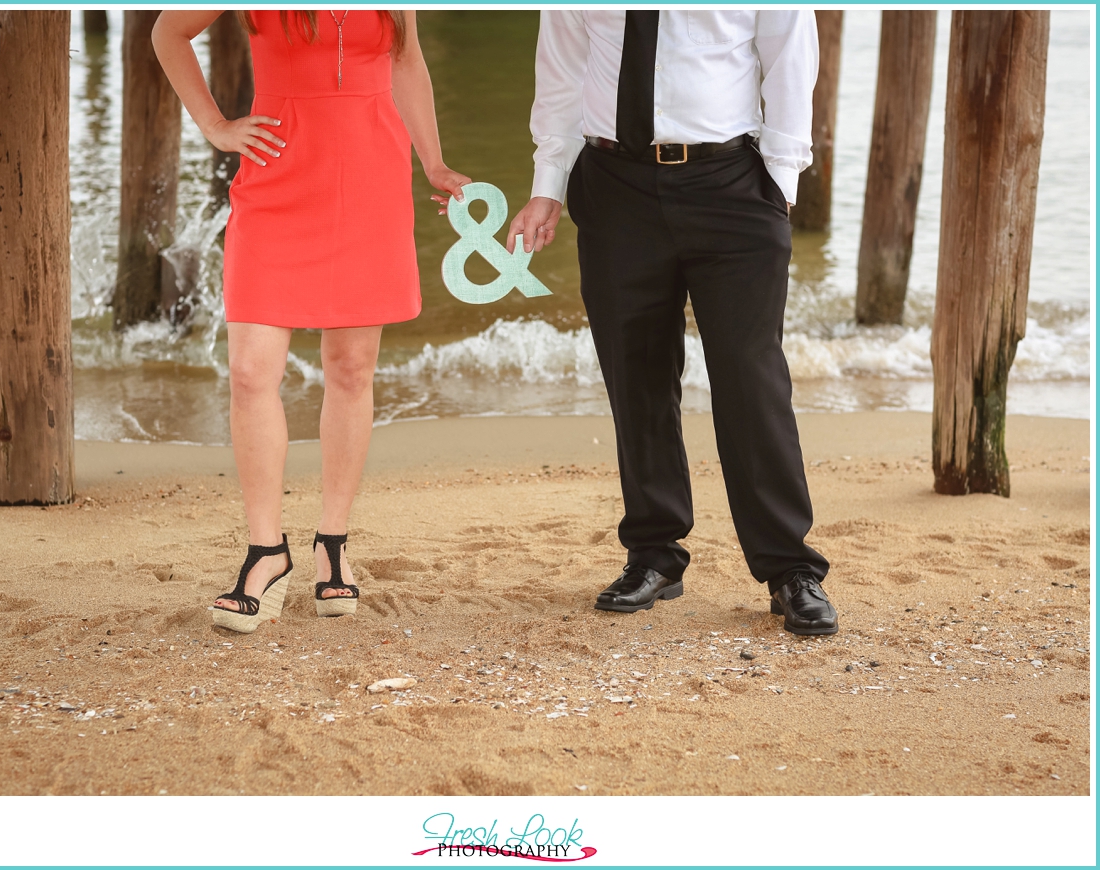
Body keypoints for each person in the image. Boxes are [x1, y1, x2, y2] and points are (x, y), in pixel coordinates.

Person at [507, 11, 837, 635]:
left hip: (732, 185)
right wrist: (548, 183)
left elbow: (790, 56)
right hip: (614, 183)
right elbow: (562, 73)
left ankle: (790, 568)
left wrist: (782, 180)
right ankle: (654, 556)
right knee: (636, 374)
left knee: (751, 378)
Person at [153, 10, 469, 632]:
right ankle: (266, 552)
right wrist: (217, 127)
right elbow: (168, 32)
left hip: (371, 169)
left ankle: (333, 543)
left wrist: (432, 162)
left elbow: (406, 61)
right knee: (249, 371)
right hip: (276, 170)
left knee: (351, 368)